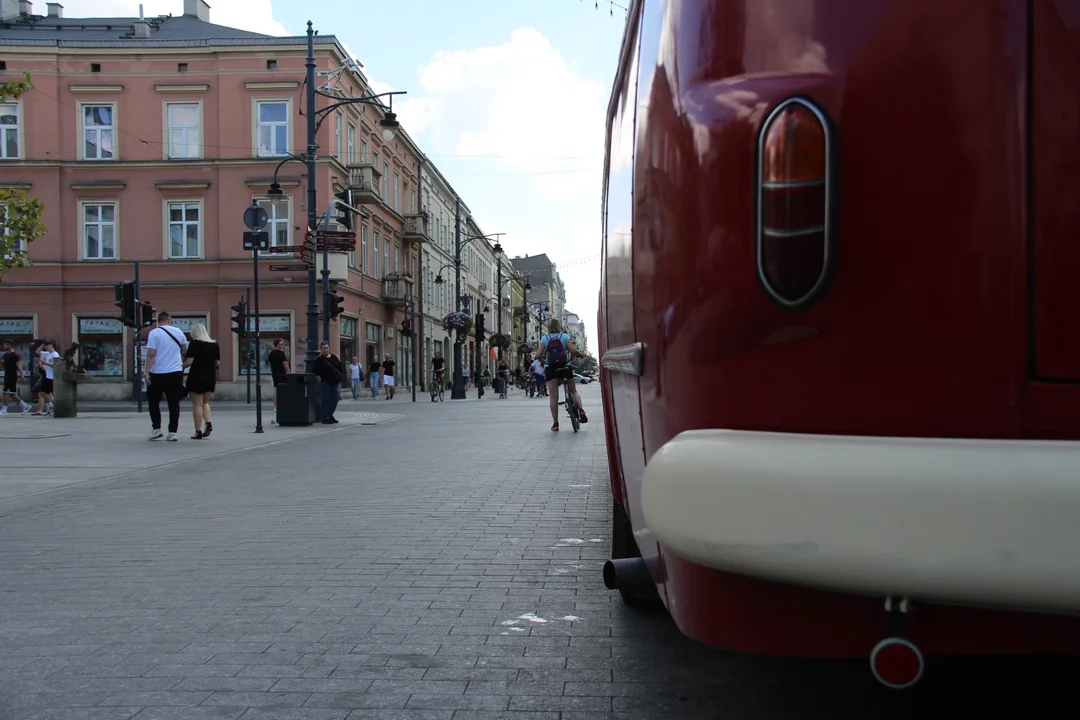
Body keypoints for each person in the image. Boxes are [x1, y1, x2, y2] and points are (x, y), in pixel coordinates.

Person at [534, 318, 588, 431]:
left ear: (548, 327)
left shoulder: (544, 338)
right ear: (559, 327)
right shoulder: (564, 336)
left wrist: (544, 361)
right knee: (573, 391)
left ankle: (555, 424)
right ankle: (581, 410)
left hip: (551, 368)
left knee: (553, 397)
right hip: (565, 366)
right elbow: (573, 351)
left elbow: (537, 355)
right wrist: (579, 354)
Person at [144, 312, 188, 441]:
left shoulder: (154, 333)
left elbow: (151, 354)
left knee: (153, 402)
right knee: (173, 403)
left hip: (157, 372)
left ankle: (156, 429)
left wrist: (147, 372)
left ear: (158, 321)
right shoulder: (179, 332)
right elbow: (184, 350)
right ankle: (172, 432)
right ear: (169, 320)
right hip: (175, 372)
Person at [183, 323, 219, 440]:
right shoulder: (214, 345)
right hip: (210, 377)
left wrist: (180, 367)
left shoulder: (195, 344)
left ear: (195, 333)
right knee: (205, 402)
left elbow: (189, 361)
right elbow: (217, 364)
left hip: (196, 376)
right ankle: (208, 423)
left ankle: (197, 431)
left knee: (197, 405)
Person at [314, 342, 342, 424]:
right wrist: (320, 381)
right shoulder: (319, 360)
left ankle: (330, 414)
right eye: (324, 348)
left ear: (329, 348)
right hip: (325, 382)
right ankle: (325, 417)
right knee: (326, 399)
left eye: (327, 348)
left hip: (334, 382)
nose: (325, 350)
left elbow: (339, 367)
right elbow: (316, 372)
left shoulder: (334, 357)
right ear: (321, 350)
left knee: (335, 399)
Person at [0, 339, 30, 416]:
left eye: (6, 345)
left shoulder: (14, 355)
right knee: (11, 394)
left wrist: (22, 375)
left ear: (10, 345)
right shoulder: (5, 355)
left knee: (6, 392)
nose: (4, 346)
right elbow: (4, 366)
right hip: (7, 375)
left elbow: (18, 365)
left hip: (12, 376)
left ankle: (4, 409)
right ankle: (25, 406)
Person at [33, 340, 60, 417]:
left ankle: (52, 406)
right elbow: (37, 352)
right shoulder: (48, 354)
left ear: (51, 345)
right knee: (46, 393)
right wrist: (42, 344)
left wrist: (44, 363)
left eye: (47, 346)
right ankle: (51, 407)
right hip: (47, 376)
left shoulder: (55, 354)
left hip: (52, 377)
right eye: (45, 346)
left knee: (43, 392)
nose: (45, 348)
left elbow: (55, 366)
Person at [267, 339, 290, 424]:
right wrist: (288, 371)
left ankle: (275, 406)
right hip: (282, 374)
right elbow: (285, 363)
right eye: (281, 344)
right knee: (283, 388)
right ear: (277, 344)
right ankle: (283, 404)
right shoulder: (281, 353)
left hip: (274, 373)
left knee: (275, 389)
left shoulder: (271, 353)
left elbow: (269, 364)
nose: (282, 345)